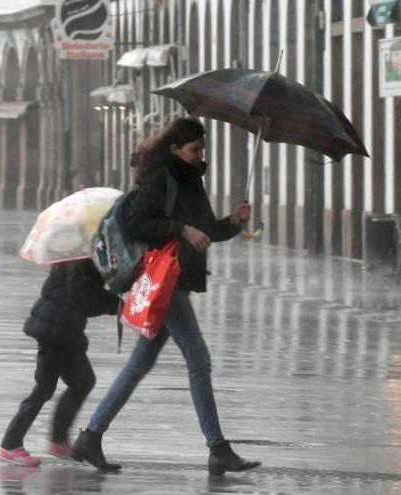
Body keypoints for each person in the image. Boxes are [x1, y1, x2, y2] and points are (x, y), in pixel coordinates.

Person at [71, 117, 260, 475]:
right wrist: (181, 228)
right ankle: (218, 448)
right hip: (164, 280)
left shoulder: (190, 181)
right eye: (194, 150)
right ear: (175, 149)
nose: (200, 155)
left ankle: (90, 436)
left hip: (177, 278)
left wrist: (233, 222)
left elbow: (206, 232)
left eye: (203, 148)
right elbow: (138, 222)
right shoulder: (160, 177)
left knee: (140, 362)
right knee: (198, 360)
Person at [0, 259, 120, 467]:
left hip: (65, 329)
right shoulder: (81, 262)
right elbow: (84, 297)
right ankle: (10, 444)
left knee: (83, 381)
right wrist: (116, 304)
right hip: (54, 330)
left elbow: (82, 298)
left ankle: (58, 439)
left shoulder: (78, 259)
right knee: (44, 389)